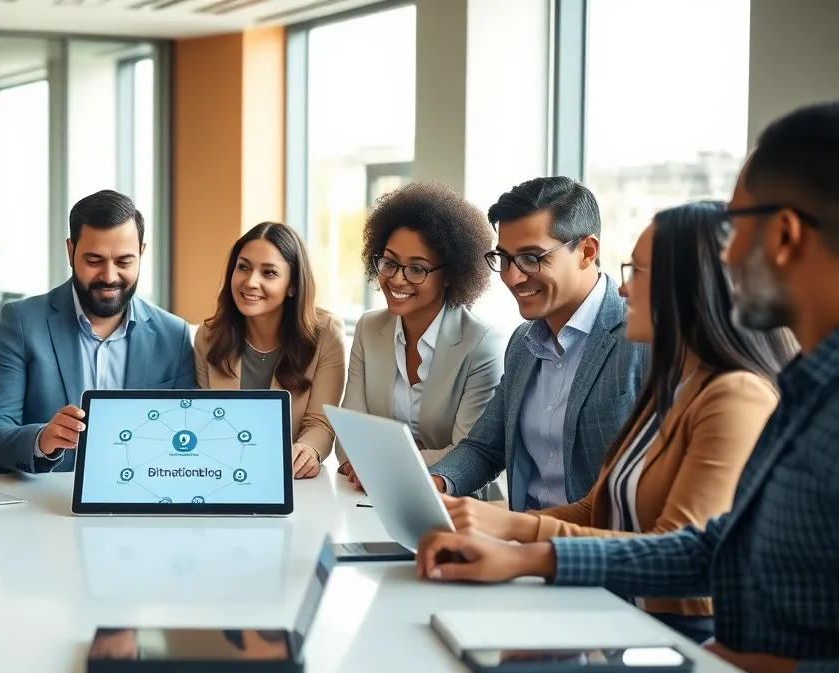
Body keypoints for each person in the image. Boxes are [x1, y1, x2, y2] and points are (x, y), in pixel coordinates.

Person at [416, 101, 839, 673]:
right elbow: (713, 546)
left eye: (739, 222)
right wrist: (522, 545)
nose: (727, 253)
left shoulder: (742, 392)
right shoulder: (805, 389)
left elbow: (689, 549)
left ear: (783, 235)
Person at [438, 200, 796, 643]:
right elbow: (599, 506)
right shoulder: (671, 385)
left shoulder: (735, 396)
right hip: (621, 609)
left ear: (690, 287)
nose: (623, 291)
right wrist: (500, 526)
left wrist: (526, 554)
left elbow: (679, 553)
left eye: (637, 274)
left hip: (682, 631)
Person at [427, 176, 647, 510]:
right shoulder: (522, 344)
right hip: (519, 543)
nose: (512, 277)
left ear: (587, 251)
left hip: (591, 549)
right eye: (504, 258)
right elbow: (485, 448)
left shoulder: (641, 339)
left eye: (532, 258)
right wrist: (436, 483)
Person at [0, 189, 195, 473]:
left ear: (141, 253)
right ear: (70, 251)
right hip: (44, 506)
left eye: (124, 261)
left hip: (141, 499)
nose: (109, 276)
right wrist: (41, 440)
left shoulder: (174, 335)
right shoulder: (22, 322)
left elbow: (187, 433)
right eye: (94, 260)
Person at [335, 182, 504, 491]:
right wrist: (404, 455)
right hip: (367, 496)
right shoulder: (368, 330)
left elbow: (468, 453)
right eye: (389, 262)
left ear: (451, 274)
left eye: (417, 268)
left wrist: (380, 460)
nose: (397, 278)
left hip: (450, 502)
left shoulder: (480, 344)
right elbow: (347, 440)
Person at [193, 222, 346, 479]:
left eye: (269, 273)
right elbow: (202, 417)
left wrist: (308, 449)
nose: (251, 282)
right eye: (243, 267)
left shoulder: (326, 334)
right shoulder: (209, 335)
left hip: (290, 479)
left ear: (293, 286)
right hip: (222, 472)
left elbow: (320, 423)